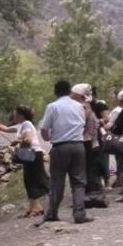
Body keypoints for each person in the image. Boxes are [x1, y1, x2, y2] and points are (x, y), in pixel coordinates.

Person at [37, 80, 93, 225]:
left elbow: (44, 129)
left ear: (55, 92)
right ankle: (79, 214)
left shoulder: (52, 106)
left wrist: (47, 138)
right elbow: (83, 124)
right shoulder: (79, 106)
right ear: (69, 91)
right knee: (79, 182)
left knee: (57, 182)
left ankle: (52, 214)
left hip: (60, 147)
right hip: (78, 146)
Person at [0, 107, 49, 218]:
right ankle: (33, 207)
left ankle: (39, 206)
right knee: (29, 181)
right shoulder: (21, 125)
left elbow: (28, 140)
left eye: (15, 114)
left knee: (35, 180)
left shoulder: (27, 124)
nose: (14, 115)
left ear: (21, 115)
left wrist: (17, 141)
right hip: (30, 155)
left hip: (33, 154)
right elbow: (5, 129)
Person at [73, 84, 107, 209]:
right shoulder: (89, 106)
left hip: (88, 142)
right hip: (93, 143)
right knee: (91, 170)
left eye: (73, 94)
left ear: (80, 95)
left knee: (88, 170)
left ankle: (91, 198)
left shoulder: (83, 108)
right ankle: (94, 196)